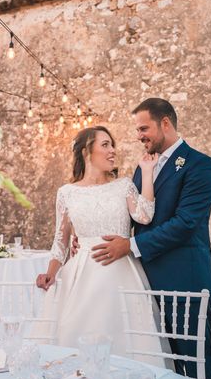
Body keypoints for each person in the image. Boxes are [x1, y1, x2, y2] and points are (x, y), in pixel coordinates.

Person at [80, 98, 211, 379]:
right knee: (161, 363)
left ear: (165, 123)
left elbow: (185, 224)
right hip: (144, 283)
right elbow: (134, 216)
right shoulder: (142, 168)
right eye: (137, 129)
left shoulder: (199, 165)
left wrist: (129, 246)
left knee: (194, 362)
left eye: (144, 128)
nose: (139, 135)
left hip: (185, 280)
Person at [35, 126, 165, 362]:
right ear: (87, 151)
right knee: (74, 338)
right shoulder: (67, 193)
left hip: (121, 274)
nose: (113, 150)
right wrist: (51, 272)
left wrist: (147, 173)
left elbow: (144, 216)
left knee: (126, 342)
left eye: (112, 144)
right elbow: (60, 240)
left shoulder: (123, 186)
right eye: (105, 145)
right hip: (80, 277)